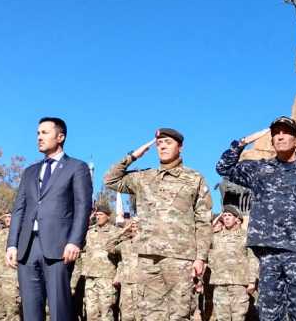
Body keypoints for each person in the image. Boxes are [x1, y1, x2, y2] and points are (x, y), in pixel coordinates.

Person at [216, 116, 296, 321]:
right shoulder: (260, 169)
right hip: (267, 250)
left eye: (285, 132)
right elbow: (223, 168)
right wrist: (241, 143)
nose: (280, 137)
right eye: (275, 133)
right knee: (269, 311)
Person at [104, 127, 213, 321]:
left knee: (180, 314)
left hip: (180, 257)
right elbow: (110, 180)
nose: (162, 147)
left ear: (180, 147)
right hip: (147, 257)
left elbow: (203, 220)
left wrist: (201, 257)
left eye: (168, 143)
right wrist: (133, 156)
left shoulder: (194, 178)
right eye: (159, 144)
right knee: (149, 315)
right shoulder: (144, 177)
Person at [6, 117, 94, 321]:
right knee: (30, 310)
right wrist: (12, 244)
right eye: (38, 133)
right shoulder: (30, 172)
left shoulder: (76, 167)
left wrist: (74, 241)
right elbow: (19, 209)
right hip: (27, 248)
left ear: (60, 137)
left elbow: (83, 207)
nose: (39, 137)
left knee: (59, 309)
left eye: (44, 133)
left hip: (58, 248)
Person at [207, 205, 257, 321]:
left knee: (238, 317)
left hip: (239, 284)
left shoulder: (246, 237)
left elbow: (252, 259)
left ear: (237, 219)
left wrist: (252, 281)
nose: (226, 218)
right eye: (224, 216)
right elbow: (202, 238)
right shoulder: (215, 237)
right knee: (221, 318)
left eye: (230, 215)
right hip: (220, 284)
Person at [79, 204, 120, 321]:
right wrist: (88, 219)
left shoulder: (116, 232)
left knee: (106, 313)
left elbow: (123, 257)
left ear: (108, 216)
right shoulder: (90, 231)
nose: (98, 217)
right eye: (96, 215)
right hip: (90, 277)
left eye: (101, 214)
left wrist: (119, 275)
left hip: (107, 277)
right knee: (91, 312)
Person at [107, 219, 139, 321]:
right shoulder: (125, 244)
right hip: (126, 284)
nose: (133, 229)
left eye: (135, 226)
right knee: (126, 316)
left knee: (141, 315)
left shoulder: (145, 243)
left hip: (141, 284)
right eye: (131, 226)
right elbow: (108, 246)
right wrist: (123, 231)